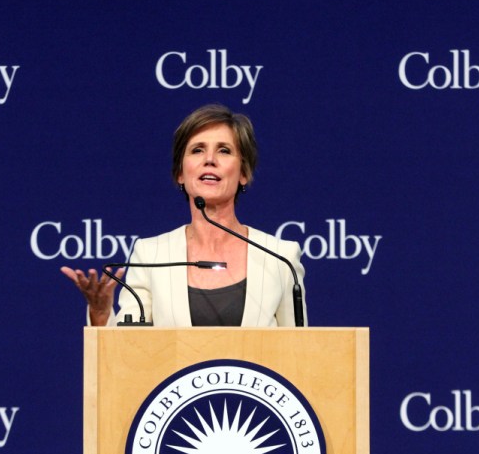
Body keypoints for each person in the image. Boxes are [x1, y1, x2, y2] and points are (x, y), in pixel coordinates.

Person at [61, 104, 307, 327]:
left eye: (224, 150)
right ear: (180, 173)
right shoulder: (150, 255)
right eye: (197, 150)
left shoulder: (280, 258)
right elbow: (129, 353)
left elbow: (300, 354)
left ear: (243, 173)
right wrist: (101, 314)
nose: (209, 160)